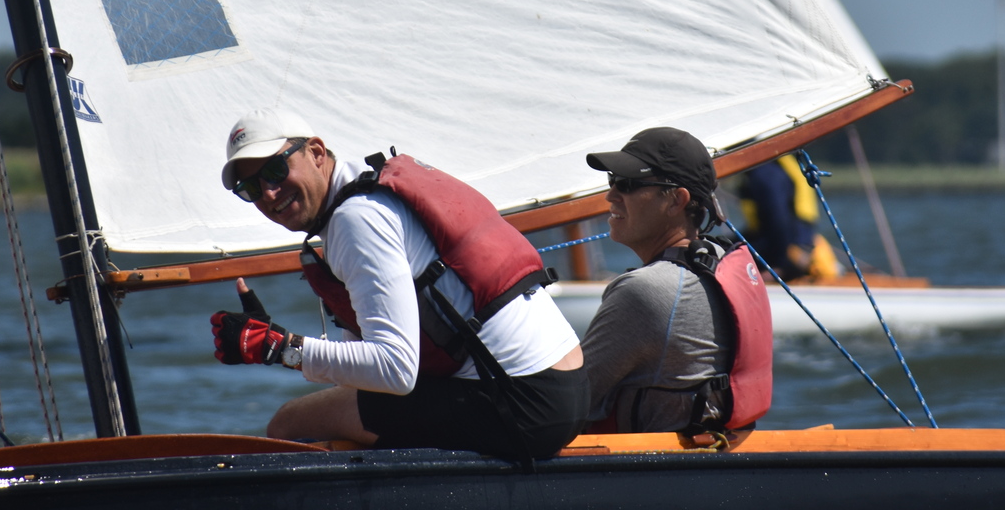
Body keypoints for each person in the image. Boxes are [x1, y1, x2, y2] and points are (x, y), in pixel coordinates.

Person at [210, 107, 588, 462]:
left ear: (316, 152)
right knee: (339, 405)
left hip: (523, 405)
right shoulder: (367, 192)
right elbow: (372, 368)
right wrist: (282, 346)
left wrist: (279, 348)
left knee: (288, 423)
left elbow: (395, 369)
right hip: (568, 389)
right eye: (251, 188)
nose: (269, 193)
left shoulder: (356, 220)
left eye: (276, 170)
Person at [579, 127, 773, 435]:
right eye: (612, 181)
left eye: (627, 184)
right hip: (711, 464)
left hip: (645, 475)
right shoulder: (719, 260)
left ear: (676, 201)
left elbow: (563, 409)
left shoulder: (647, 292)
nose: (610, 195)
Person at [736, 155, 841, 282]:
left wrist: (780, 266)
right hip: (801, 244)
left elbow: (778, 221)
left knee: (722, 256)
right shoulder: (775, 168)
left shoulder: (765, 174)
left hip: (788, 254)